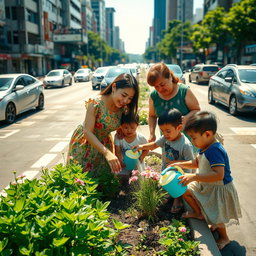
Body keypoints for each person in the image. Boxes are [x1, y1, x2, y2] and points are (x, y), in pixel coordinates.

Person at [169, 111, 242, 250]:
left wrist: (194, 176)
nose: (192, 141)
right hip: (207, 184)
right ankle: (199, 213)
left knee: (217, 217)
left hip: (218, 189)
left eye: (193, 137)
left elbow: (218, 175)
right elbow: (196, 162)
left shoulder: (214, 150)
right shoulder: (205, 146)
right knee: (185, 188)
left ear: (208, 134)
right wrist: (179, 164)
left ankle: (224, 238)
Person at [67, 73, 139, 178]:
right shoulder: (95, 103)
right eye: (124, 95)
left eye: (130, 98)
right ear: (114, 87)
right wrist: (107, 153)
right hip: (85, 144)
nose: (126, 101)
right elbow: (87, 132)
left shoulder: (123, 108)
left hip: (105, 144)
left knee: (102, 182)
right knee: (80, 182)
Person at [133, 108, 194, 213]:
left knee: (177, 187)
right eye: (162, 131)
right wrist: (141, 146)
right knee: (166, 188)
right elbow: (154, 145)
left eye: (168, 131)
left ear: (179, 128)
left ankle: (177, 200)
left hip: (180, 176)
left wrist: (178, 165)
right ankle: (169, 194)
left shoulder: (185, 145)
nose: (165, 134)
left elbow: (192, 163)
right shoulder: (165, 138)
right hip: (166, 171)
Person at [147, 62, 200, 142]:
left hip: (188, 143)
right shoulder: (154, 96)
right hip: (168, 144)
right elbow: (152, 116)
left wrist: (186, 118)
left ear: (170, 77)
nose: (160, 89)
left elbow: (197, 110)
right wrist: (152, 133)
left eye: (162, 84)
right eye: (156, 87)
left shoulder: (184, 91)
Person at [114, 113, 148, 183]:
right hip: (124, 162)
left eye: (132, 128)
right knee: (121, 176)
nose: (129, 130)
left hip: (137, 161)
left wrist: (141, 158)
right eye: (125, 127)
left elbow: (147, 148)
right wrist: (120, 161)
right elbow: (117, 151)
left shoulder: (141, 138)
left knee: (140, 177)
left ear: (137, 126)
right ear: (121, 126)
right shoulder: (119, 137)